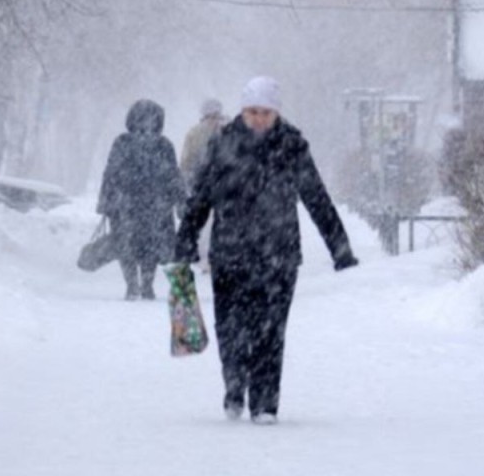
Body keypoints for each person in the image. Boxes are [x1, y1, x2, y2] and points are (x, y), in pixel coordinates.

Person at [174, 76, 359, 424]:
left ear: (276, 113)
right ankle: (234, 386)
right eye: (252, 111)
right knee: (230, 328)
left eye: (266, 112)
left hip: (279, 254)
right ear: (243, 111)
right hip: (230, 254)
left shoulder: (291, 145)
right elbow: (201, 197)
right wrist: (185, 241)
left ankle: (264, 404)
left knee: (271, 332)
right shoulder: (223, 144)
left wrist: (340, 248)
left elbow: (316, 196)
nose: (259, 119)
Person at [97, 99, 186, 300]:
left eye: (152, 118)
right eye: (144, 118)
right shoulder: (126, 143)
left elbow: (173, 175)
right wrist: (106, 201)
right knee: (132, 245)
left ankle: (145, 284)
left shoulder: (161, 145)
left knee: (146, 246)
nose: (148, 122)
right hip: (133, 204)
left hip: (148, 205)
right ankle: (133, 284)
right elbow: (111, 173)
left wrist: (180, 200)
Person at [179, 98, 228, 272]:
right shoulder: (196, 134)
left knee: (210, 224)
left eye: (216, 116)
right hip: (209, 186)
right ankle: (208, 258)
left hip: (215, 186)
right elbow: (186, 162)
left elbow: (186, 163)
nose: (214, 120)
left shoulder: (224, 132)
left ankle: (210, 258)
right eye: (211, 116)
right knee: (209, 224)